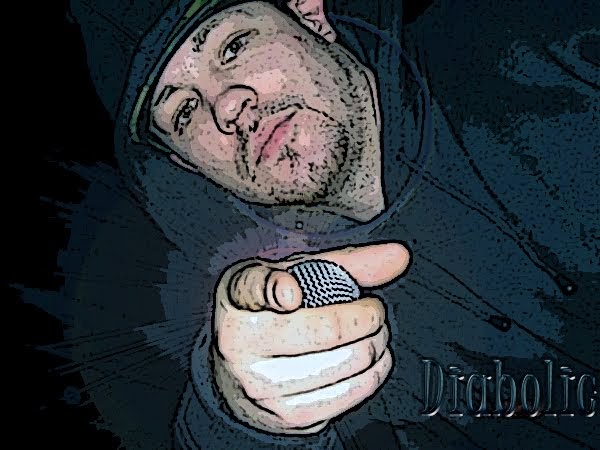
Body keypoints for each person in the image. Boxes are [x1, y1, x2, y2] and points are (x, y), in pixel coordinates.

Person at [50, 0, 598, 447]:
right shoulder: (286, 315)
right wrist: (248, 414)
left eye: (233, 46)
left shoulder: (542, 43)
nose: (227, 107)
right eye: (184, 112)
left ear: (309, 14)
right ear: (184, 163)